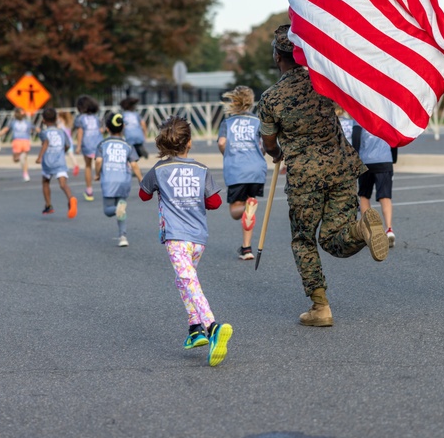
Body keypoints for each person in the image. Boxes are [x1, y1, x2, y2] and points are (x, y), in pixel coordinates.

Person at [255, 24, 390, 327]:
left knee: (304, 240)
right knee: (334, 238)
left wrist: (276, 154)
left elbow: (268, 142)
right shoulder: (323, 81)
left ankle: (320, 308)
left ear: (277, 57)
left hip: (306, 178)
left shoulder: (271, 98)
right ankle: (360, 231)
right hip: (343, 169)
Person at [138, 115, 232, 367]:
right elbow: (214, 202)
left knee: (190, 281)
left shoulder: (159, 170)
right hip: (198, 237)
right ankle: (194, 329)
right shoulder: (202, 169)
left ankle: (211, 326)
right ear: (189, 142)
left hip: (176, 237)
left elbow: (143, 195)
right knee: (184, 281)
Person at [216, 85, 267, 261]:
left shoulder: (228, 122)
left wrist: (227, 153)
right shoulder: (258, 121)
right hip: (256, 169)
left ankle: (247, 207)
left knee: (235, 210)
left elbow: (222, 142)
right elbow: (265, 144)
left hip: (236, 169)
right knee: (250, 211)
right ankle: (246, 248)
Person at [95, 112, 142, 247]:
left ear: (108, 128)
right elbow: (134, 165)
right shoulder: (128, 145)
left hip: (109, 181)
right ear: (122, 128)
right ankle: (123, 236)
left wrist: (97, 174)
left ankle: (117, 209)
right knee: (121, 209)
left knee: (108, 210)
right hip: (124, 181)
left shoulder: (103, 144)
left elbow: (98, 161)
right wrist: (140, 179)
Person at [351, 123, 397, 247]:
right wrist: (393, 158)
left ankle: (369, 230)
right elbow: (394, 136)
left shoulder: (360, 112)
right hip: (384, 158)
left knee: (364, 195)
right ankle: (389, 229)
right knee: (385, 196)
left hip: (366, 160)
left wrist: (354, 158)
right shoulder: (385, 113)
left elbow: (356, 136)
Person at [36, 107, 78, 219]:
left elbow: (45, 143)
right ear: (56, 119)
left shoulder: (43, 133)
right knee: (63, 184)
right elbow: (68, 145)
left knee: (45, 182)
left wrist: (39, 157)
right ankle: (71, 198)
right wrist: (61, 152)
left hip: (48, 162)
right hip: (60, 162)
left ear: (43, 120)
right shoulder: (62, 132)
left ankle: (48, 205)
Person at [73, 95, 102, 202]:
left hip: (87, 143)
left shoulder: (80, 118)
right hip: (98, 142)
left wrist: (78, 146)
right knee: (99, 162)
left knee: (88, 166)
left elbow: (80, 132)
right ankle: (99, 176)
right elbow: (100, 129)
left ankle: (89, 190)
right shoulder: (96, 117)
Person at [0, 108, 34, 181]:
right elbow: (6, 129)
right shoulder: (13, 122)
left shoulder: (27, 122)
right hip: (17, 141)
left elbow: (35, 128)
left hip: (24, 141)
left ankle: (25, 173)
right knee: (16, 159)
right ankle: (20, 160)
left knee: (24, 158)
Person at [56, 109, 81, 177]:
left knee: (61, 155)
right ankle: (75, 164)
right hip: (70, 140)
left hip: (64, 141)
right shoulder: (67, 123)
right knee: (70, 154)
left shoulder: (61, 123)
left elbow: (58, 129)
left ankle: (62, 166)